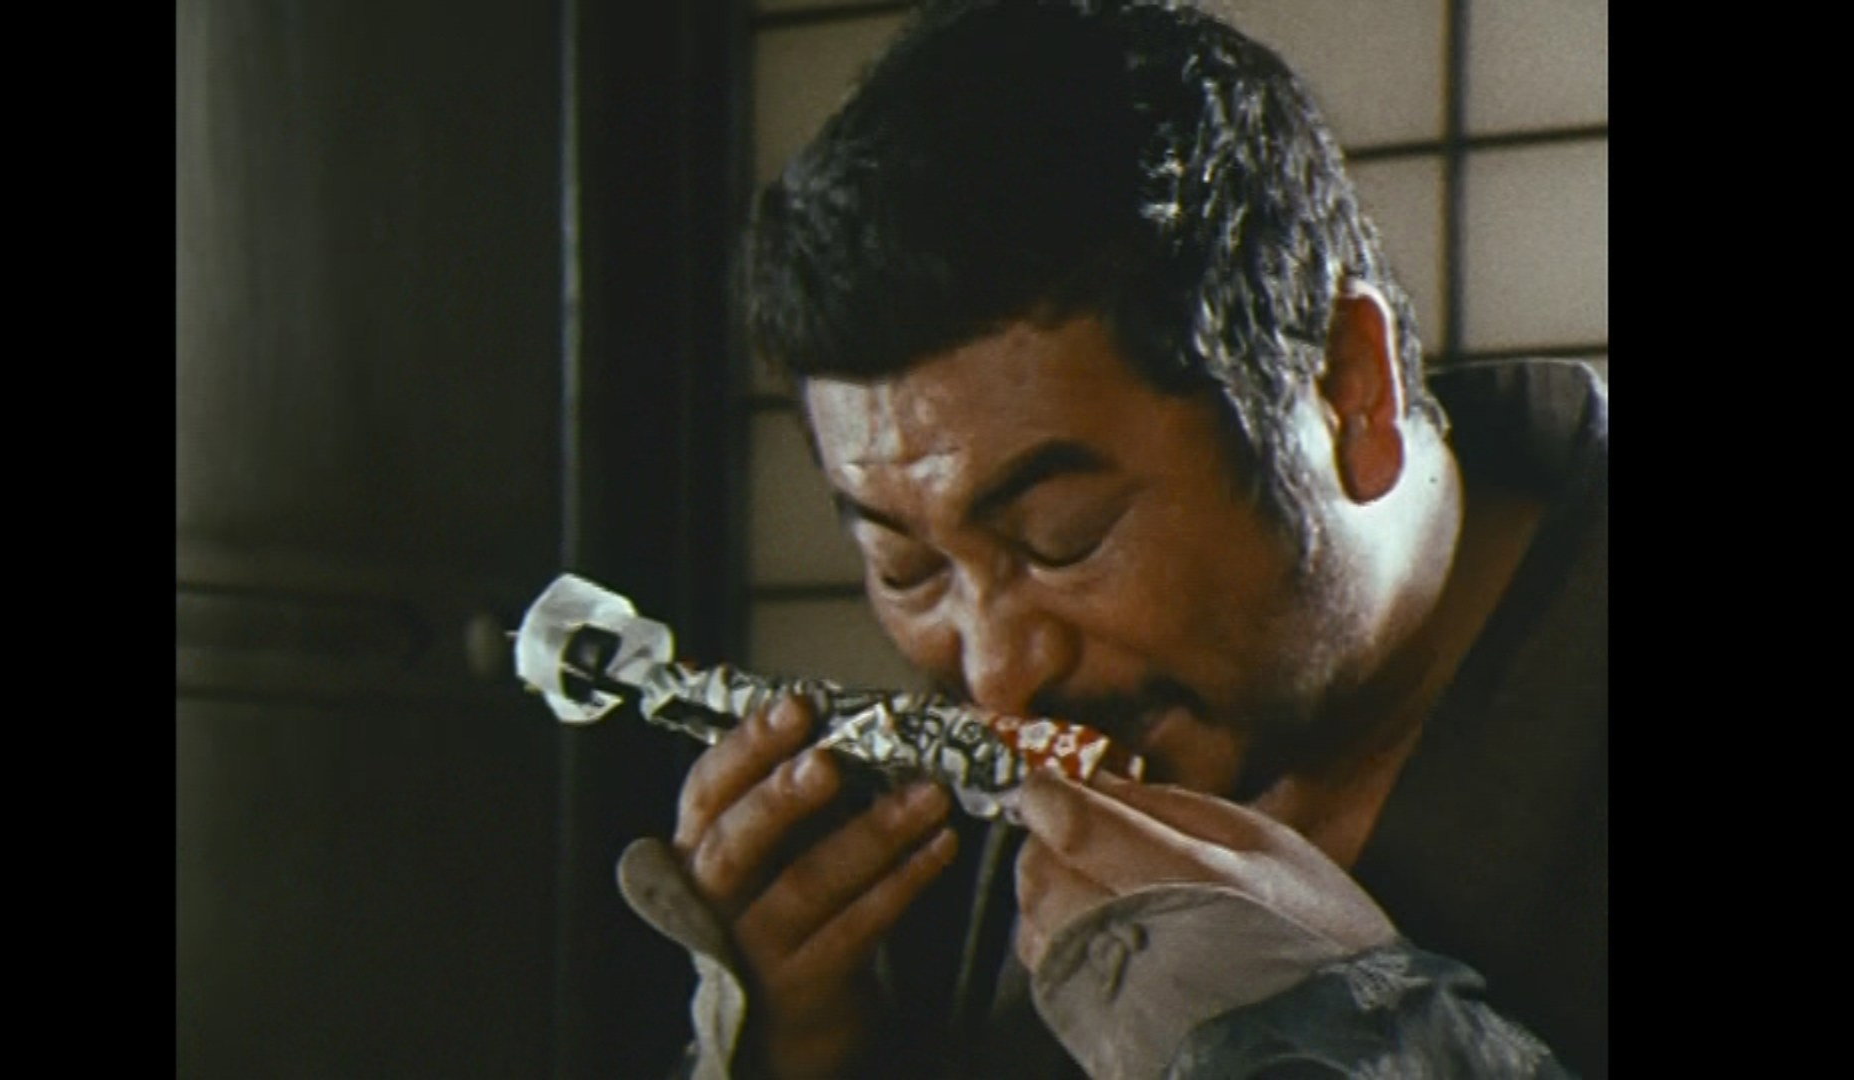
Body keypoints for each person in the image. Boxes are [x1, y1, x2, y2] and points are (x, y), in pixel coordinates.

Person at [616, 2, 1606, 1076]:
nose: (997, 676)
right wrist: (811, 1046)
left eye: (1064, 538)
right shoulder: (953, 817)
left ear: (1346, 386)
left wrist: (1351, 1032)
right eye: (909, 567)